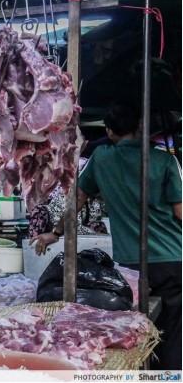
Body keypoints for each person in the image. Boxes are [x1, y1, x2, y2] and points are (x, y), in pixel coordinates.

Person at [29, 103, 182, 370]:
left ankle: (142, 375)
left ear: (109, 131)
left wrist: (55, 233)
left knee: (135, 331)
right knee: (172, 333)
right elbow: (180, 212)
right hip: (172, 259)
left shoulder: (101, 158)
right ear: (140, 127)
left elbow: (75, 200)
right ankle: (167, 376)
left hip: (132, 266)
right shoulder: (165, 160)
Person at [28, 158, 108, 239]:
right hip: (56, 230)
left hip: (79, 231)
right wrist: (103, 237)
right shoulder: (70, 193)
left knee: (99, 225)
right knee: (40, 212)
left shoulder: (97, 199)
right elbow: (74, 228)